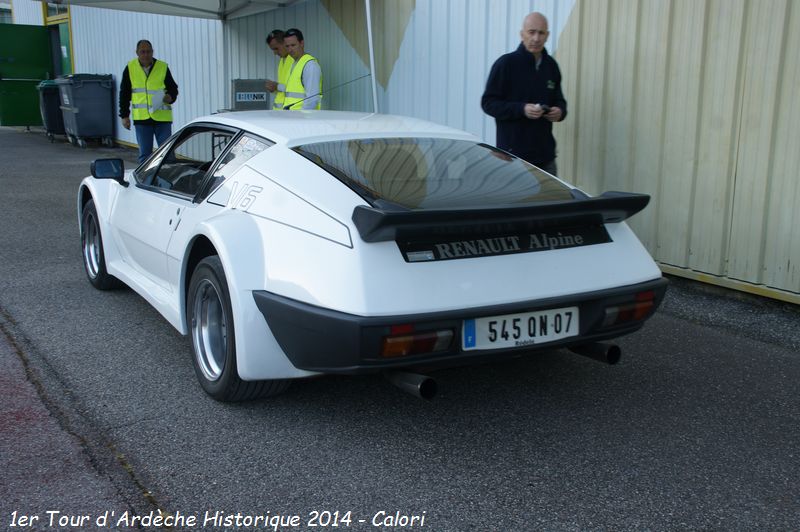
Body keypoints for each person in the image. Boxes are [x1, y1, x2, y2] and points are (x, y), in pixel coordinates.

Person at [481, 12, 567, 175]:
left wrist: (560, 112)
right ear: (522, 34)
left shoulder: (551, 66)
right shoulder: (506, 64)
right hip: (511, 159)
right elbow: (488, 104)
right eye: (531, 32)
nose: (536, 38)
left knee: (552, 202)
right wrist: (521, 109)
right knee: (514, 202)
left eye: (541, 33)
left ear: (547, 35)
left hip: (546, 158)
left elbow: (559, 100)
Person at [119, 39, 179, 164]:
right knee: (145, 156)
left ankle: (169, 181)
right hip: (142, 120)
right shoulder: (130, 68)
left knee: (167, 154)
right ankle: (145, 181)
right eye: (143, 52)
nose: (146, 55)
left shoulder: (162, 67)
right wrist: (124, 115)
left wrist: (170, 97)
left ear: (152, 52)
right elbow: (124, 93)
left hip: (162, 119)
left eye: (148, 52)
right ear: (137, 53)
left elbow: (173, 89)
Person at [281, 28, 322, 110]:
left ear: (302, 43)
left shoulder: (310, 65)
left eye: (293, 45)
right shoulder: (295, 64)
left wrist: (303, 120)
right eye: (287, 46)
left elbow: (312, 99)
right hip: (292, 118)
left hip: (302, 119)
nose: (290, 50)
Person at [264, 30, 294, 110]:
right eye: (273, 50)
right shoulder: (282, 61)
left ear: (285, 43)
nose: (275, 53)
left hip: (292, 113)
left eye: (276, 48)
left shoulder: (294, 60)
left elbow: (297, 90)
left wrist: (276, 86)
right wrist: (274, 89)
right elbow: (285, 90)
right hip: (282, 113)